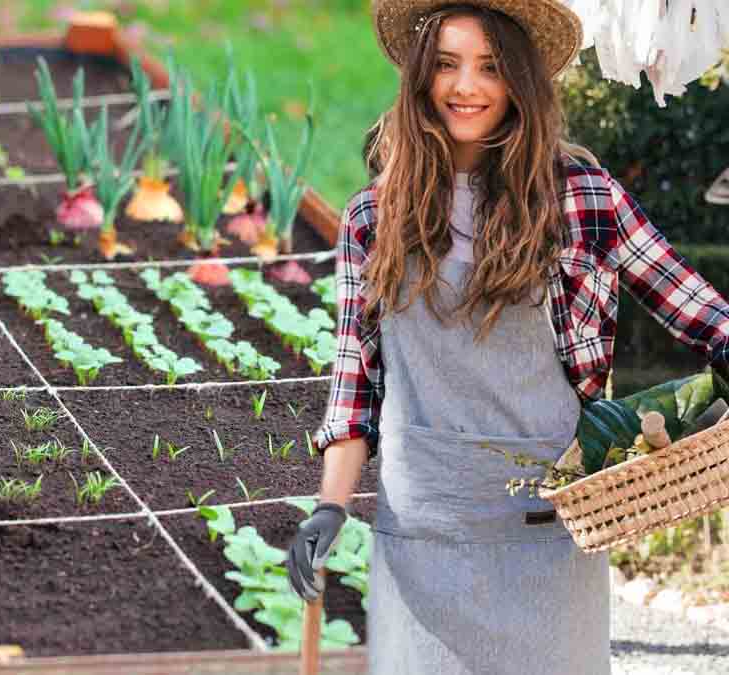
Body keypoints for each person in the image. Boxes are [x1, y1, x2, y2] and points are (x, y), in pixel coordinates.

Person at [285, 1, 729, 673]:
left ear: (519, 78)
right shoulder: (373, 218)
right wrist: (329, 506)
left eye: (490, 67)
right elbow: (355, 381)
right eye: (447, 65)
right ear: (420, 78)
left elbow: (692, 306)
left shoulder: (581, 195)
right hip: (422, 537)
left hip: (550, 536)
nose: (467, 87)